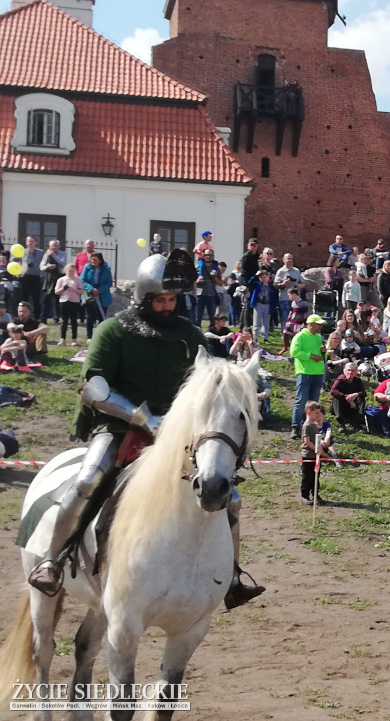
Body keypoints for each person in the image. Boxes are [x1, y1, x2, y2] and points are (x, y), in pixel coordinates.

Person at [26, 250, 263, 607]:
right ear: (144, 297)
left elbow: (205, 385)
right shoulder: (113, 331)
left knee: (230, 496)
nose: (168, 306)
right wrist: (145, 419)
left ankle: (230, 576)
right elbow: (95, 389)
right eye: (161, 300)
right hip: (119, 427)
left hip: (177, 435)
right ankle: (52, 561)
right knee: (87, 479)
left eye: (172, 299)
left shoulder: (189, 335)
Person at [289, 314, 326, 440]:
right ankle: (295, 427)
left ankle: (310, 426)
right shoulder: (300, 336)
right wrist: (311, 356)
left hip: (318, 372)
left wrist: (323, 352)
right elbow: (294, 352)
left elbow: (321, 355)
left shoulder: (319, 337)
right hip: (304, 372)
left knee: (314, 402)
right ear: (311, 324)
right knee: (301, 400)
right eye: (318, 324)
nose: (320, 326)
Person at [300, 401, 329, 505]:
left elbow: (316, 438)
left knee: (316, 476)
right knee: (307, 476)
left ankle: (315, 494)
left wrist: (322, 444)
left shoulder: (315, 425)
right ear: (308, 412)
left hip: (316, 456)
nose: (318, 415)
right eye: (316, 413)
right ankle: (305, 495)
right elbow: (306, 441)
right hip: (308, 455)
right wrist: (317, 449)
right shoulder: (307, 426)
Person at [54, 263, 85, 346]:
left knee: (74, 320)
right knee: (64, 321)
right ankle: (62, 339)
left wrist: (73, 289)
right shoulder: (61, 280)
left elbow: (81, 291)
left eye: (73, 271)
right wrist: (63, 289)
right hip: (64, 301)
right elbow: (56, 292)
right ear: (66, 271)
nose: (71, 273)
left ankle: (74, 339)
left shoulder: (77, 280)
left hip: (74, 302)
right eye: (69, 271)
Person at [330, 361, 367, 431]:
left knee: (361, 398)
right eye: (348, 370)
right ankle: (341, 424)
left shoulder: (357, 380)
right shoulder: (340, 379)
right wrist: (346, 397)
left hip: (352, 406)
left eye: (353, 371)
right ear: (344, 371)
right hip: (340, 406)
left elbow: (364, 393)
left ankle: (358, 422)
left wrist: (355, 395)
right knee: (336, 398)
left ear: (356, 372)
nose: (350, 372)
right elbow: (333, 391)